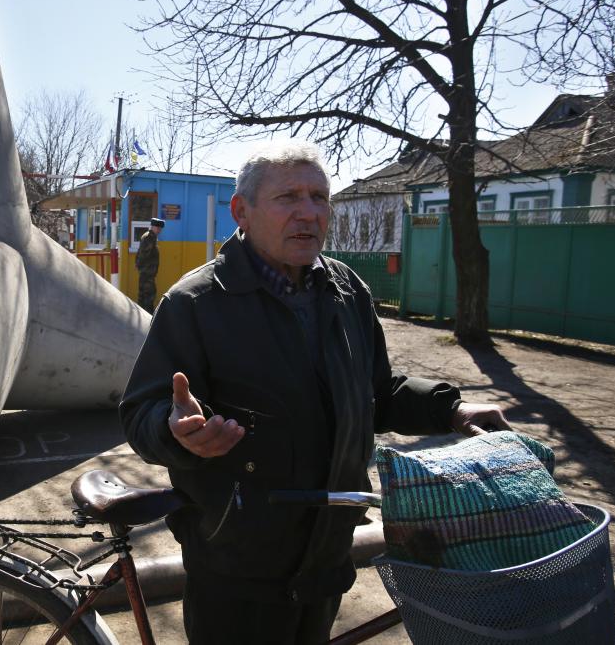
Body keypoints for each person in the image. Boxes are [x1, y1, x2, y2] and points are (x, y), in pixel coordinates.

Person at [119, 141, 510, 644]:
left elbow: (378, 392)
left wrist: (451, 409)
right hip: (237, 564)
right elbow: (141, 412)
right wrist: (176, 432)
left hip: (328, 551)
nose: (309, 213)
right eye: (288, 197)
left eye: (319, 198)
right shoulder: (196, 302)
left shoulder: (345, 290)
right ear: (243, 211)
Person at [135, 217, 164, 313]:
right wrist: (141, 267)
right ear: (153, 227)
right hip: (147, 272)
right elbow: (143, 254)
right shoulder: (149, 237)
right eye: (158, 228)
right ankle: (148, 317)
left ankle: (142, 315)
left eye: (160, 228)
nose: (159, 230)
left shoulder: (150, 237)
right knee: (149, 296)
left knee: (144, 295)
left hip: (146, 272)